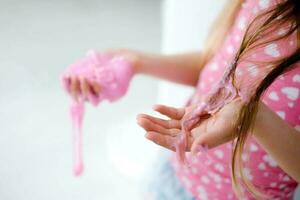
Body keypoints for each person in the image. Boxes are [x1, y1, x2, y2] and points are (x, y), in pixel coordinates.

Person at [66, 0, 300, 199]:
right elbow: (213, 68)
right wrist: (137, 62)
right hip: (173, 175)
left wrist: (253, 117)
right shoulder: (263, 3)